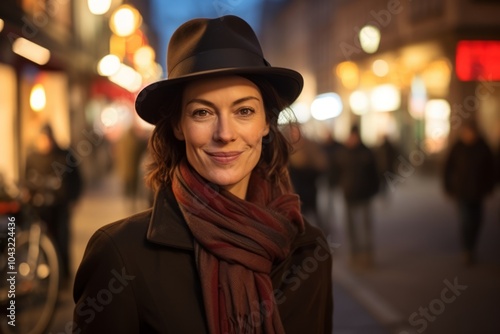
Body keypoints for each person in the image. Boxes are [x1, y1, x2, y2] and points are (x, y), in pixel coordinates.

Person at [73, 15, 333, 334]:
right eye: (202, 112)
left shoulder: (309, 250)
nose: (224, 133)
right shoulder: (121, 256)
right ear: (179, 126)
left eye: (244, 111)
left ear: (266, 122)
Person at [24, 124, 83, 285]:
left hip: (60, 207)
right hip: (40, 209)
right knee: (41, 241)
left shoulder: (65, 155)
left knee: (61, 240)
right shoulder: (32, 157)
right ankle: (47, 277)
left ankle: (63, 276)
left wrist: (74, 199)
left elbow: (77, 180)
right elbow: (27, 180)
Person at [443, 120, 495, 266]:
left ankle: (472, 246)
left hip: (478, 192)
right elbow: (448, 168)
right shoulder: (458, 147)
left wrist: (490, 187)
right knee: (465, 220)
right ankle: (467, 249)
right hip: (462, 191)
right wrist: (448, 187)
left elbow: (491, 168)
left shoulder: (483, 147)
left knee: (477, 220)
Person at [338, 125, 379, 269]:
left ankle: (367, 256)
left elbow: (375, 174)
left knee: (365, 226)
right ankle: (354, 255)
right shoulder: (344, 152)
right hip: (349, 195)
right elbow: (338, 171)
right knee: (352, 227)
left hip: (364, 194)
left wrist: (375, 190)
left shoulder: (366, 152)